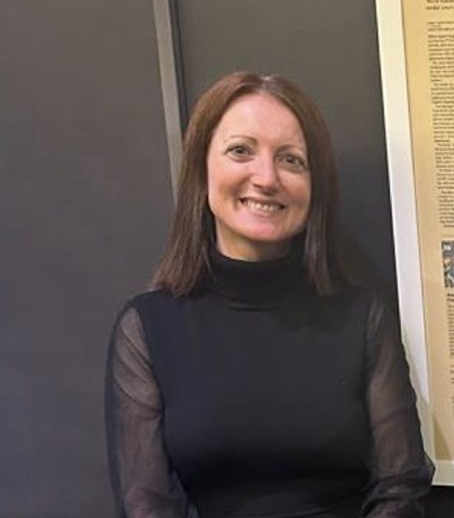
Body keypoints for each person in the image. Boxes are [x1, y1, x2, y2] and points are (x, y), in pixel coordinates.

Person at [106, 72, 433, 517]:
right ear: (202, 169)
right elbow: (146, 504)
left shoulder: (361, 318)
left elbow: (401, 485)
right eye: (241, 151)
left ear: (314, 186)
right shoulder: (147, 327)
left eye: (291, 160)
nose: (266, 178)